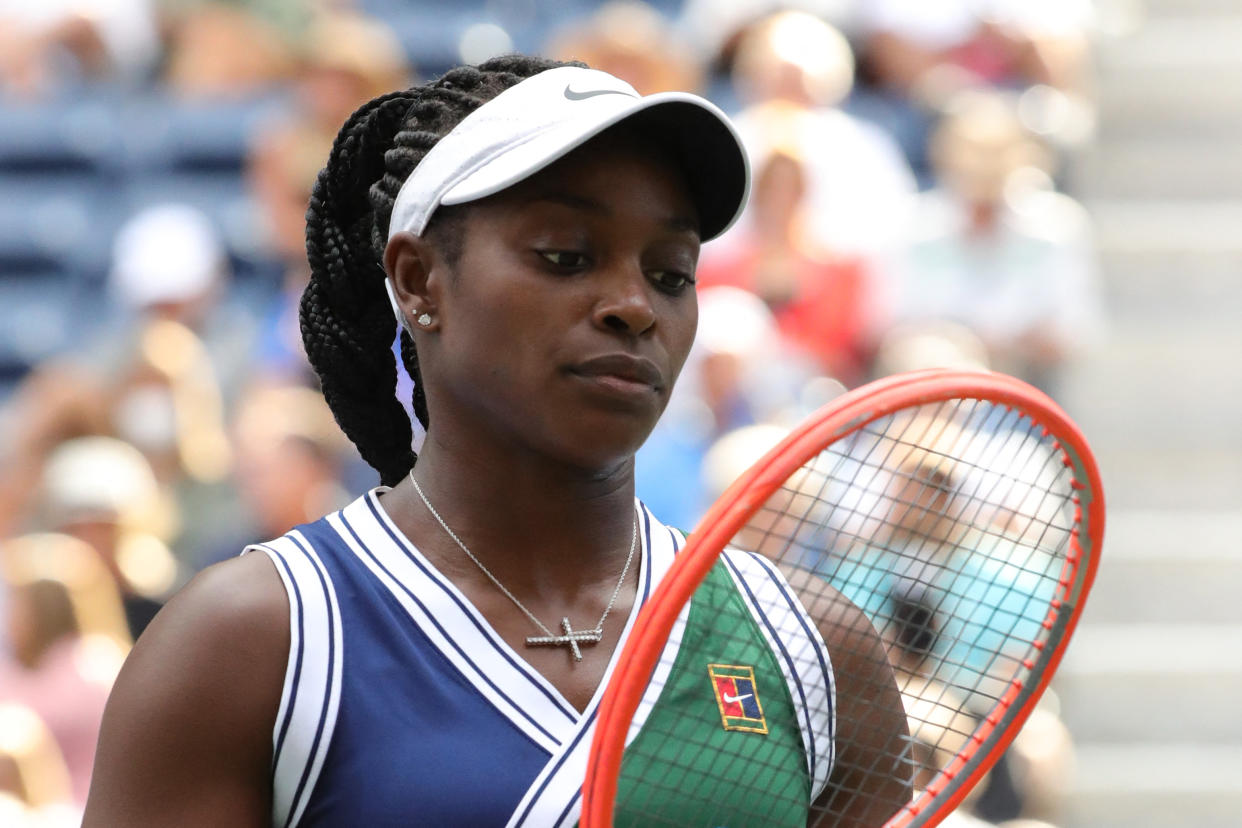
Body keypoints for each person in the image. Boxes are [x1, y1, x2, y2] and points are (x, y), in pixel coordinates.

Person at [84, 56, 909, 826]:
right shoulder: (250, 641)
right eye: (564, 256)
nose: (634, 305)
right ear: (416, 280)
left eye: (672, 273)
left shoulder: (813, 650)